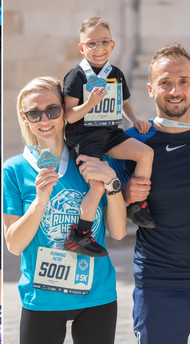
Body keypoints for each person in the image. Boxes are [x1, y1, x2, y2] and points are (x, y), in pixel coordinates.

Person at [4, 76, 127, 344]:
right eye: (34, 113)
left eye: (52, 110)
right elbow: (13, 245)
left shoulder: (95, 161)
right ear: (24, 118)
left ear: (65, 111)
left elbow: (119, 233)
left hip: (97, 294)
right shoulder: (14, 169)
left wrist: (113, 185)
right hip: (42, 298)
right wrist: (40, 201)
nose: (44, 119)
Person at [112, 42, 190, 344]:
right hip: (157, 290)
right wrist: (122, 193)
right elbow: (108, 216)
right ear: (151, 88)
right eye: (165, 82)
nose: (175, 90)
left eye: (183, 80)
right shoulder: (131, 143)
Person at [62, 16, 155, 259]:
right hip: (84, 136)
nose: (98, 48)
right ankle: (80, 235)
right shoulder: (76, 76)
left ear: (112, 45)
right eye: (91, 43)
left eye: (103, 42)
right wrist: (89, 103)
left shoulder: (115, 73)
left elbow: (124, 103)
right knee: (97, 185)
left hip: (110, 132)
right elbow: (69, 116)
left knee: (145, 153)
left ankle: (136, 205)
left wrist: (135, 120)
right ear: (82, 47)